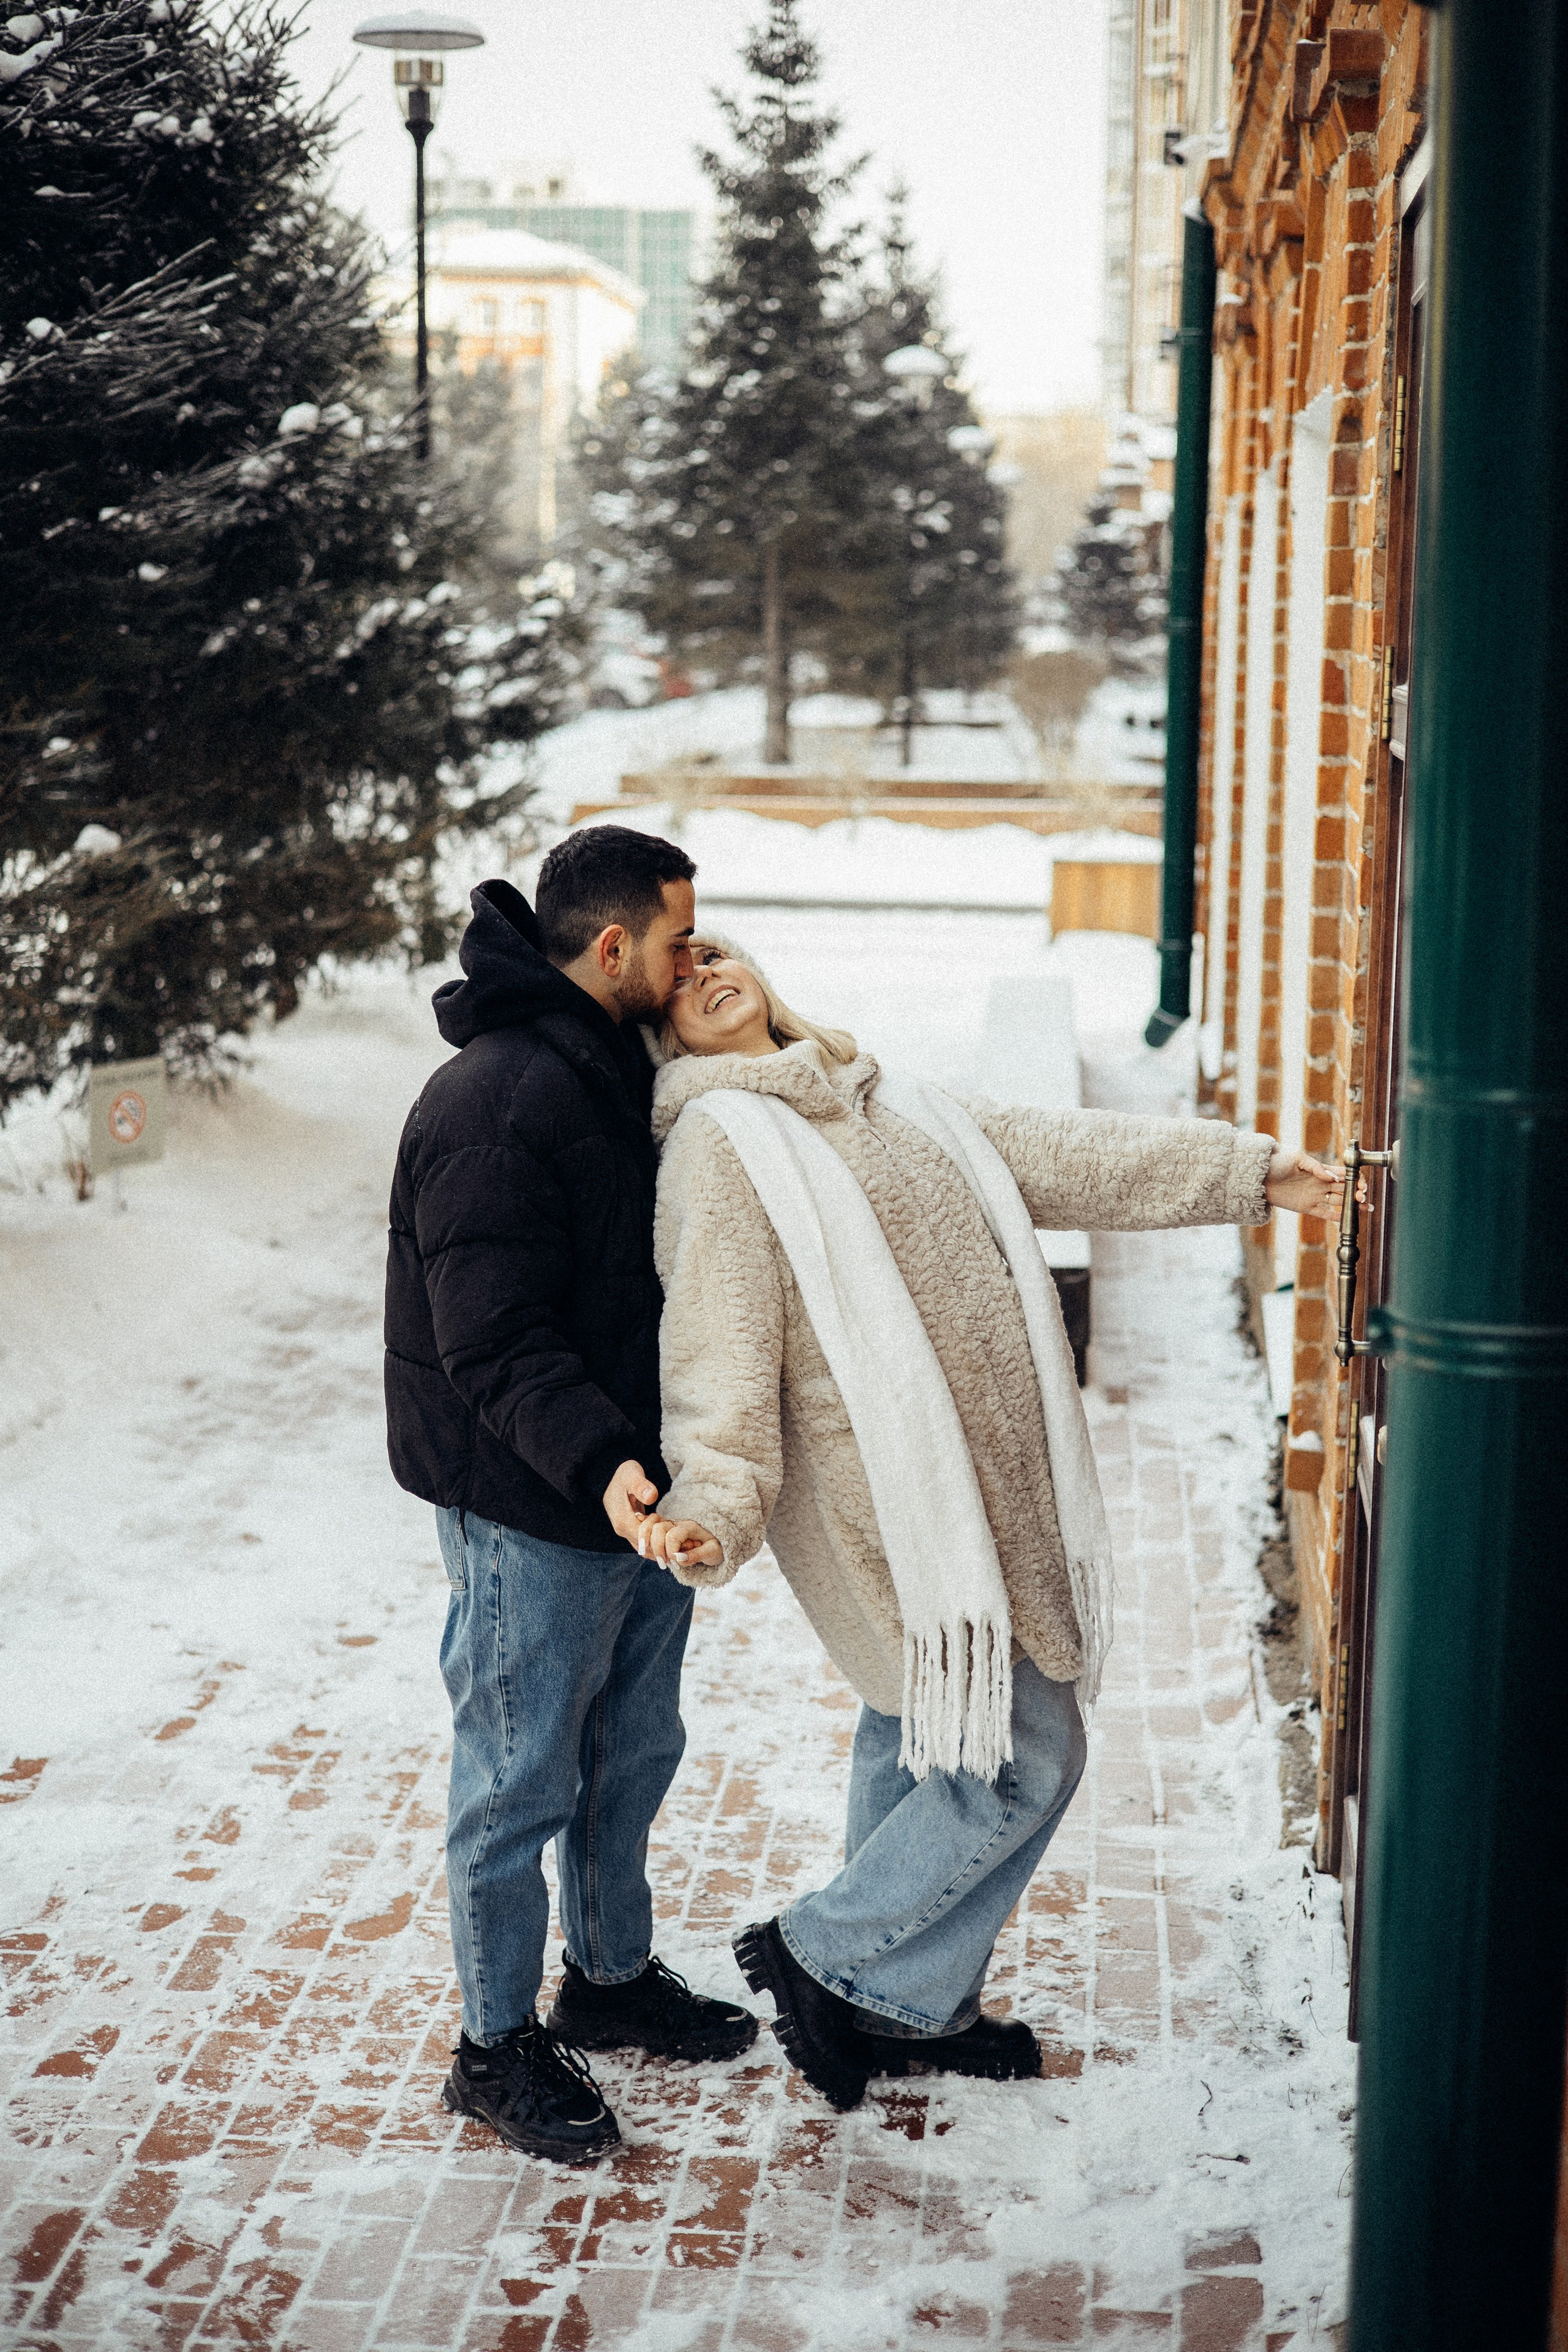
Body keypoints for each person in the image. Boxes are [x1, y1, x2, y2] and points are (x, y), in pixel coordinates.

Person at [633, 938, 1343, 2113]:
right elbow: (717, 1343)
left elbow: (1060, 1154)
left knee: (919, 1742)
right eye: (678, 984)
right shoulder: (720, 1146)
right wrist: (712, 1498)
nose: (705, 970)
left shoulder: (887, 1095)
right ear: (663, 1038)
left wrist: (1246, 1175)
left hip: (986, 1488)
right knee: (1027, 1757)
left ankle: (906, 2005)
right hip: (896, 1513)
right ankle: (826, 1952)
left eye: (712, 950)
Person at [383, 832, 758, 2168]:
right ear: (609, 950)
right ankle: (491, 2047)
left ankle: (605, 1980)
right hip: (539, 1501)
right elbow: (489, 1342)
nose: (690, 959)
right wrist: (605, 1470)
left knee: (629, 1753)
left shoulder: (618, 1070)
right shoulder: (494, 1100)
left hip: (639, 1496)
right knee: (517, 1774)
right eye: (675, 939)